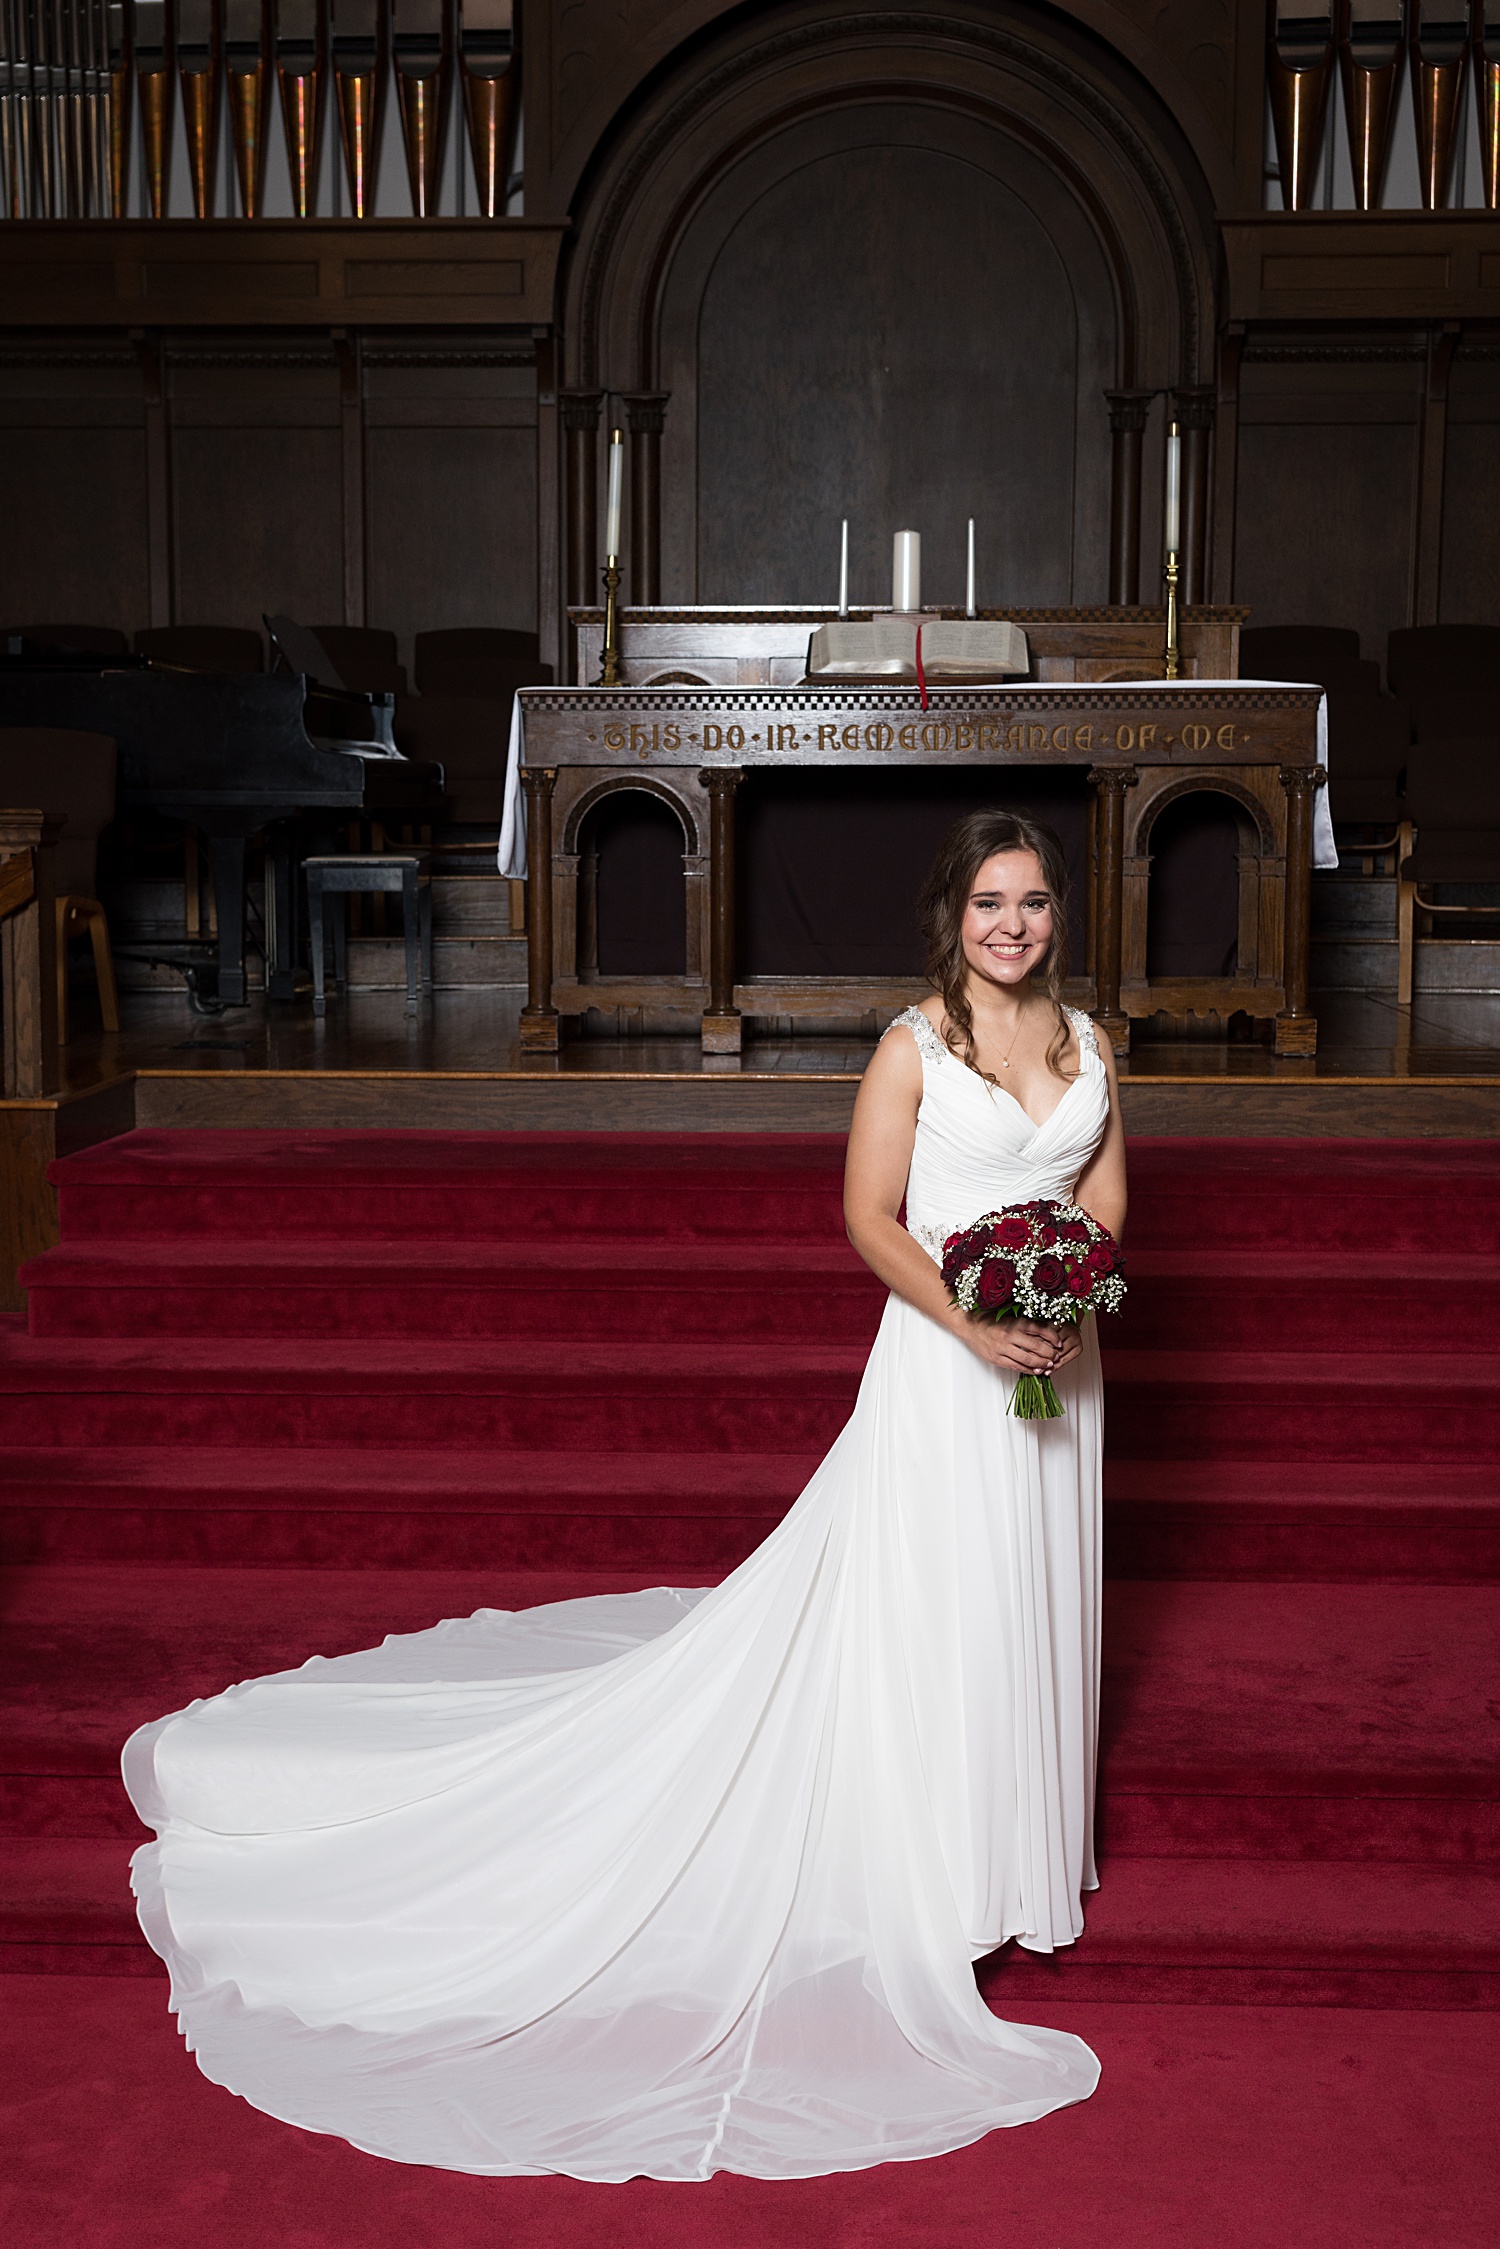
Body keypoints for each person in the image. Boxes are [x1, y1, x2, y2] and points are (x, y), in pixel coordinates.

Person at [123, 807, 1126, 2183]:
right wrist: (978, 1316)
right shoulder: (912, 1048)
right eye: (988, 903)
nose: (1012, 924)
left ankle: (1025, 1849)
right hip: (950, 1364)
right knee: (942, 1608)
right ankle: (940, 1870)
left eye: (1033, 903)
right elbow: (869, 1216)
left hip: (1059, 1365)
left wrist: (1064, 1293)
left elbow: (1104, 1196)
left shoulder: (1088, 1046)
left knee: (1037, 1603)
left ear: (1059, 913)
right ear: (952, 915)